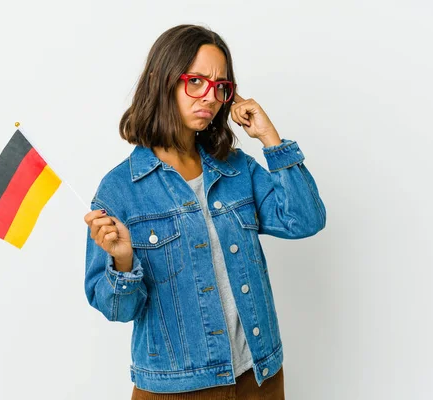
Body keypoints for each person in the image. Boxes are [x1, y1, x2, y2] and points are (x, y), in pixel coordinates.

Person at [83, 24, 326, 399]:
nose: (210, 97)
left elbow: (305, 220)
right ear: (162, 81)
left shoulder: (235, 169)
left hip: (258, 378)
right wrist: (123, 261)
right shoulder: (120, 190)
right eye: (196, 81)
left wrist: (270, 139)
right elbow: (116, 308)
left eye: (221, 86)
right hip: (177, 389)